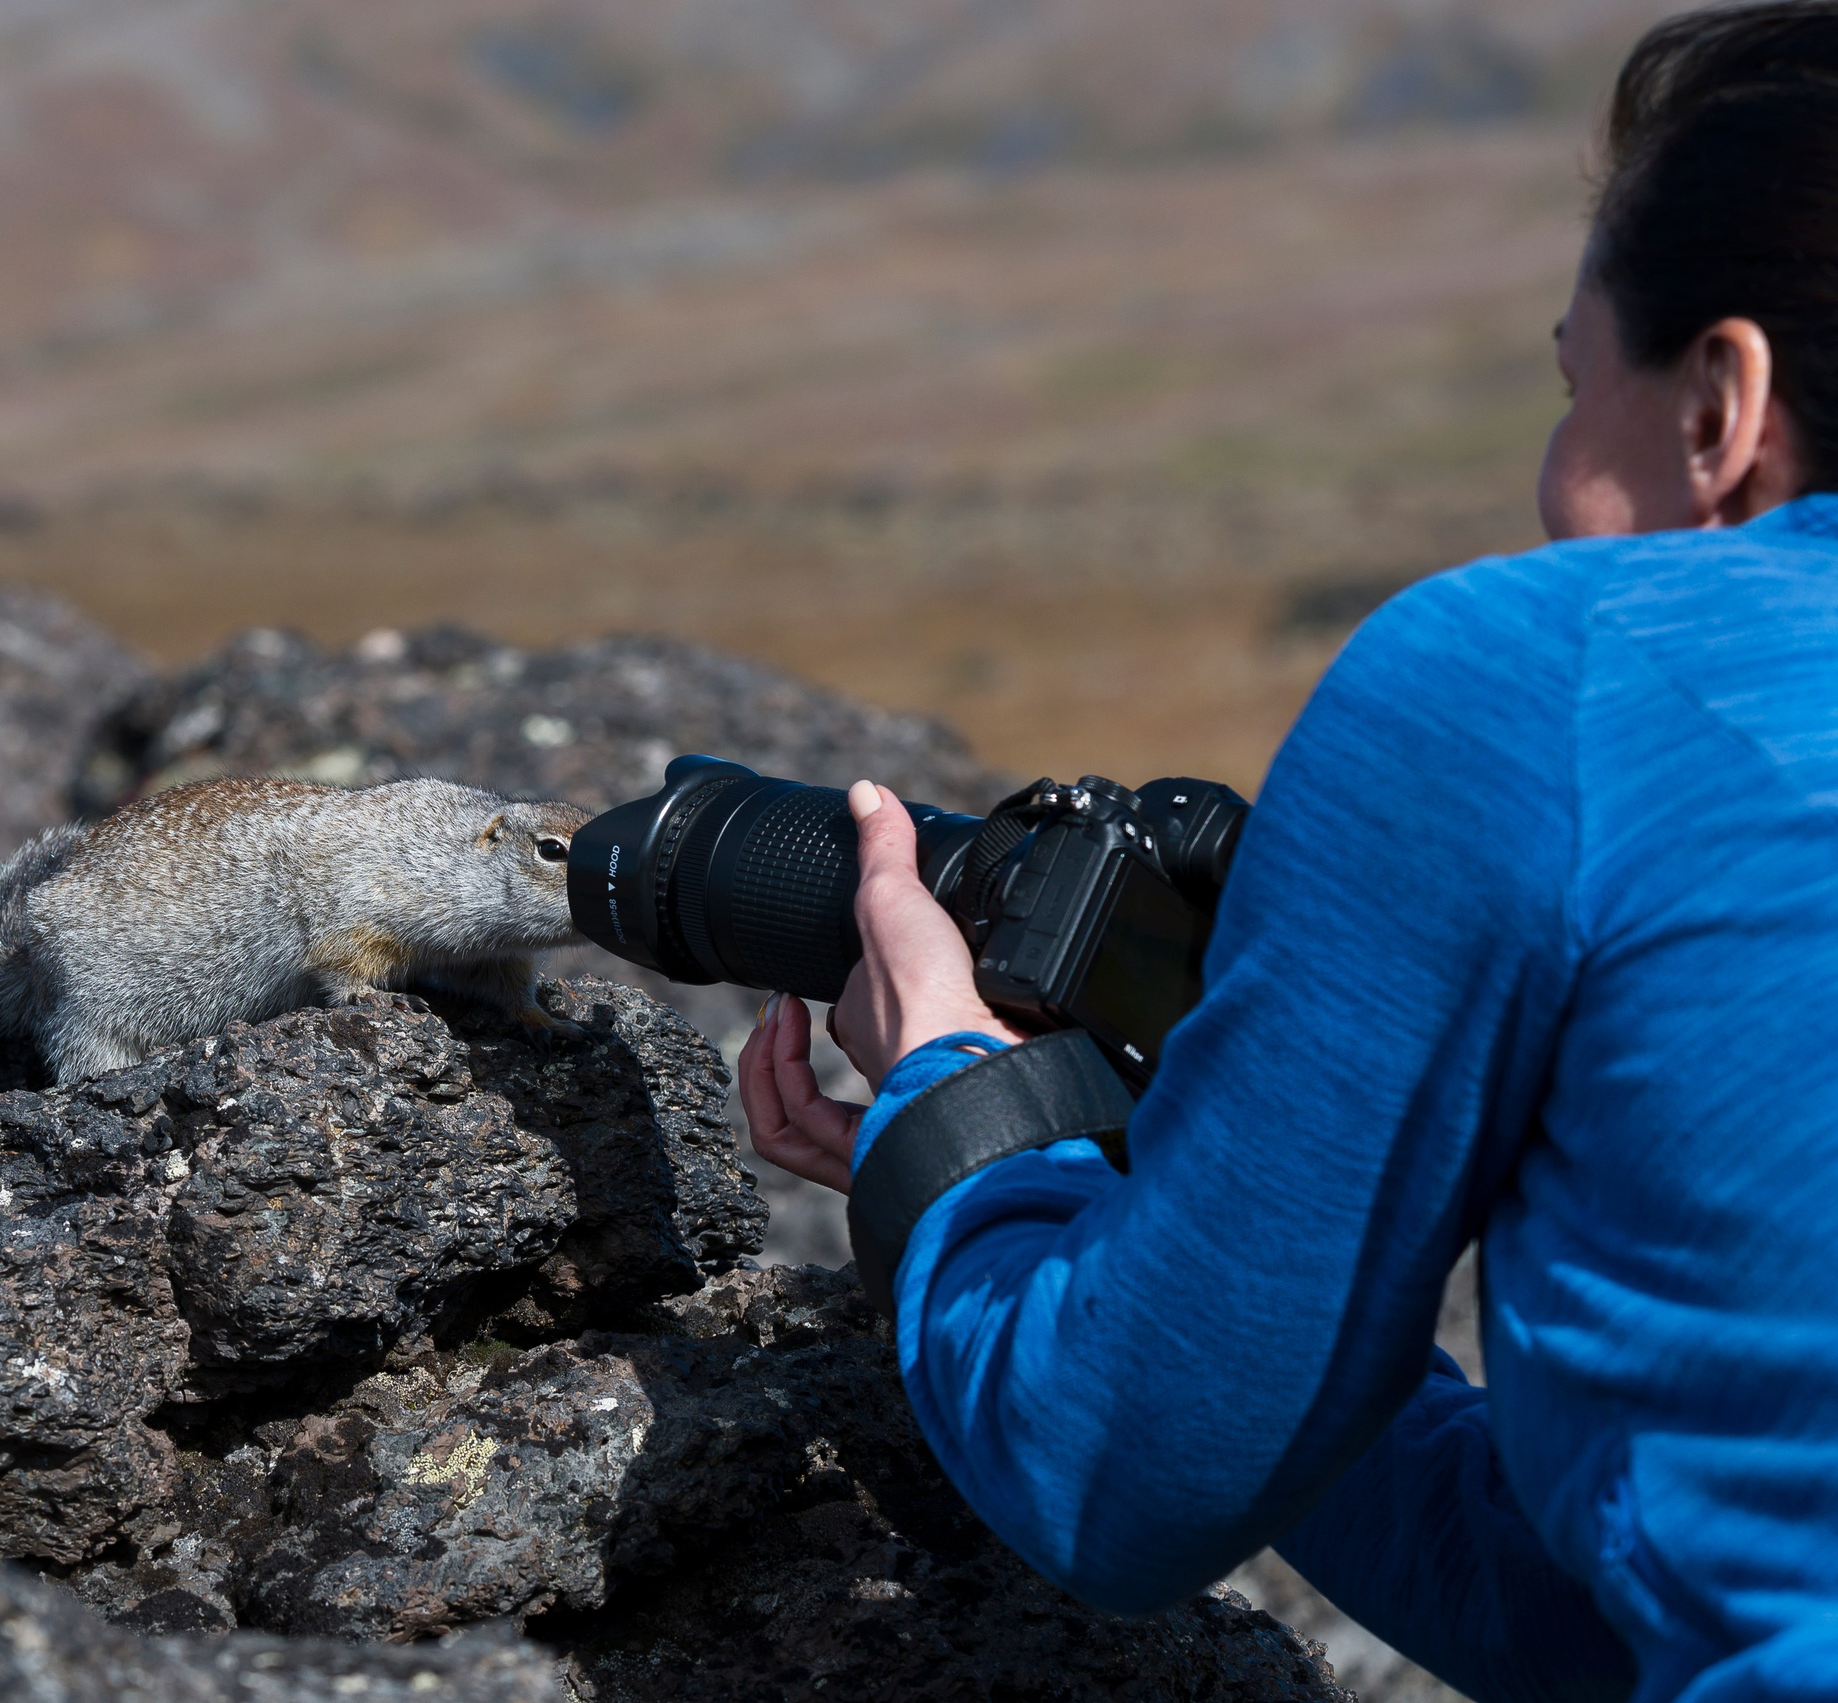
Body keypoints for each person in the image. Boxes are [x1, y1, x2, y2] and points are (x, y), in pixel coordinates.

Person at [736, 7, 1838, 1701]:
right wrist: (1255, 1240)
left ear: (1721, 405)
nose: (1548, 478)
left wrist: (966, 1123)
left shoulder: (1558, 673)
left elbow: (1111, 1465)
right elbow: (1629, 1588)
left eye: (1572, 390)